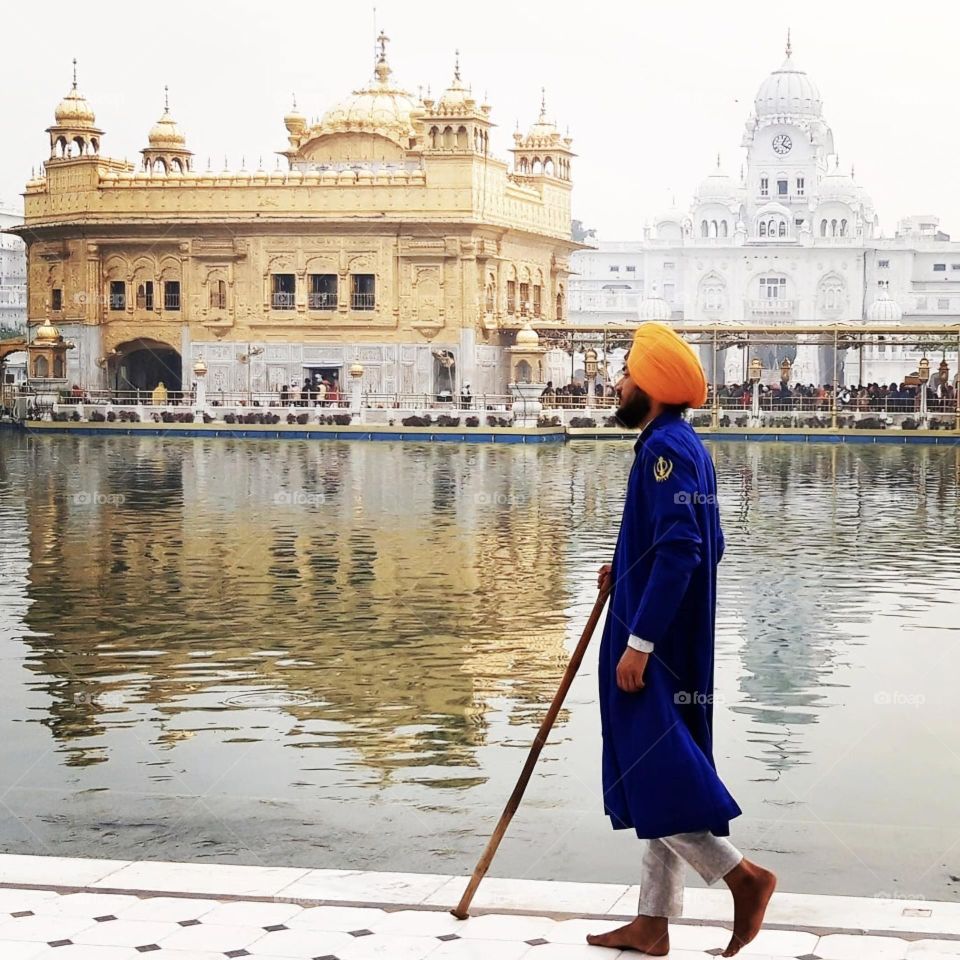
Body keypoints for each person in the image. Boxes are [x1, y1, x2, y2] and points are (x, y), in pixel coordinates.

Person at [587, 322, 776, 958]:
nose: (617, 385)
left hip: (655, 645)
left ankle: (742, 878)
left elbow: (684, 551)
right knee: (660, 772)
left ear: (654, 387)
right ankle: (652, 921)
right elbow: (703, 544)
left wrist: (640, 642)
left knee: (657, 769)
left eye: (626, 376)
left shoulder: (665, 450)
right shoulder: (681, 445)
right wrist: (628, 564)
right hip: (676, 637)